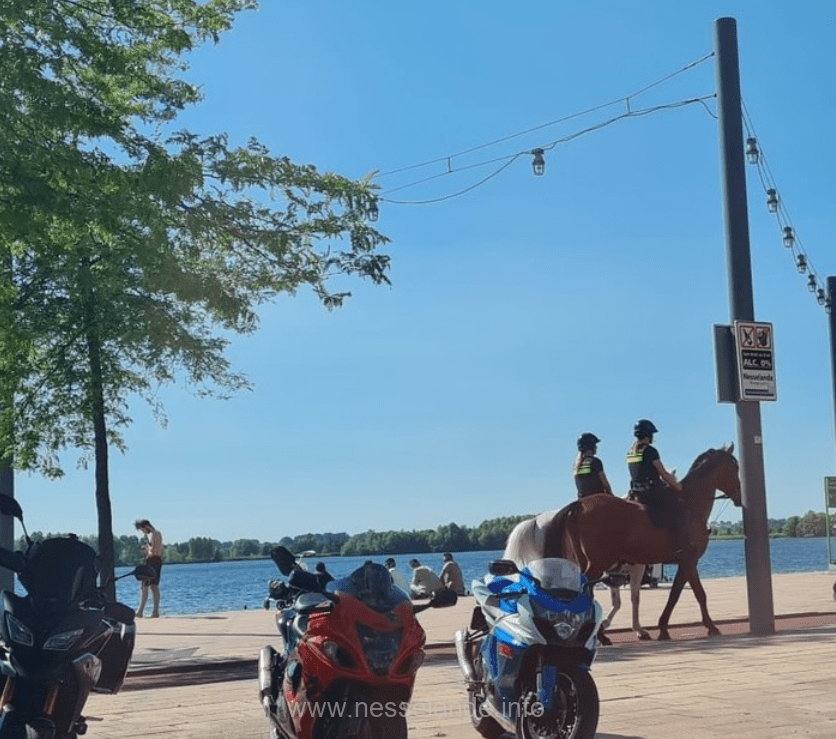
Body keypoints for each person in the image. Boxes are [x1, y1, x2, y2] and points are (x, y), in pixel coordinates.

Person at [626, 419, 686, 554]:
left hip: (636, 492)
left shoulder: (630, 453)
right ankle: (678, 544)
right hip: (652, 492)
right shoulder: (651, 451)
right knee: (679, 508)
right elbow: (663, 473)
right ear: (649, 435)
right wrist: (678, 487)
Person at [135, 519, 163, 618]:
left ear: (145, 527)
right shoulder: (150, 535)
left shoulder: (155, 534)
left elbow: (155, 551)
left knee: (153, 585)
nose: (143, 532)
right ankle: (141, 610)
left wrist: (146, 549)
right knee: (145, 586)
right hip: (151, 561)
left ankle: (155, 611)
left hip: (154, 561)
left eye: (142, 530)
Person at [573, 432, 613, 498]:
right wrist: (612, 495)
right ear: (592, 446)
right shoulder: (595, 462)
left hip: (582, 500)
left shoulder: (576, 467)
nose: (596, 447)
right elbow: (605, 484)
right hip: (598, 499)